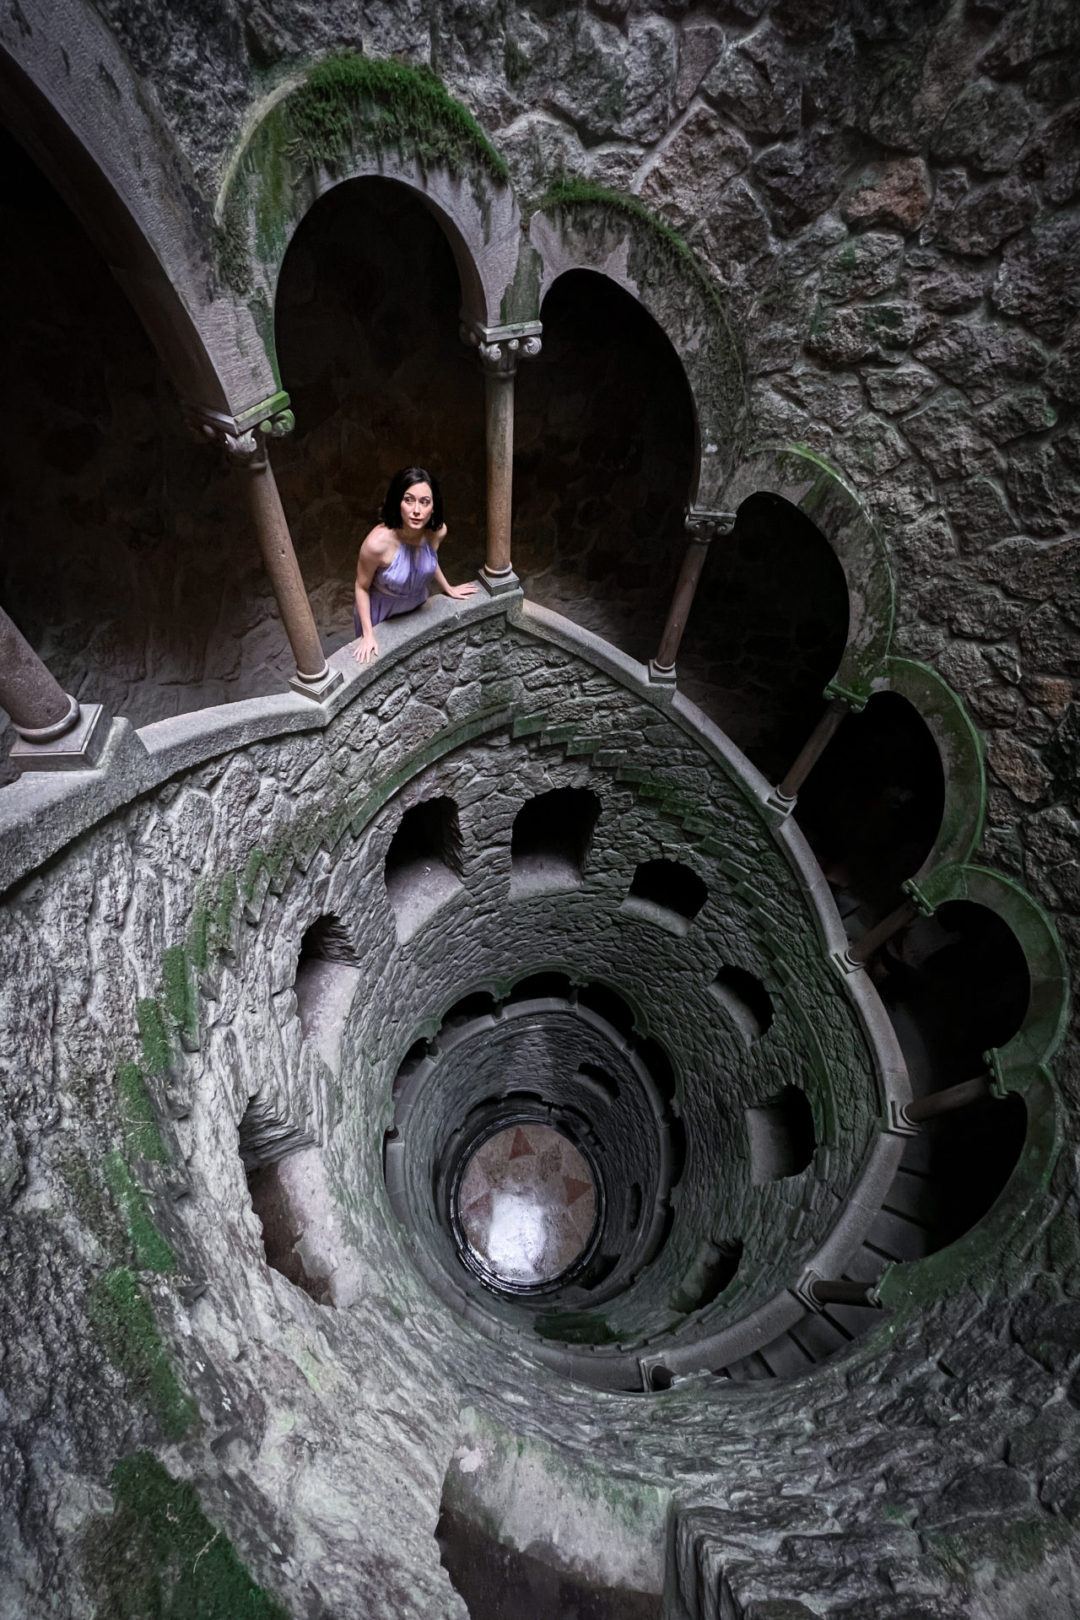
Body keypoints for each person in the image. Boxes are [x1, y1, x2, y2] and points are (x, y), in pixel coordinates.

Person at [352, 466, 477, 663]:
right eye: (408, 500)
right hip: (382, 613)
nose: (416, 511)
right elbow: (361, 587)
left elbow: (427, 562)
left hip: (418, 605)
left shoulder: (437, 532)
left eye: (424, 502)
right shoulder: (377, 543)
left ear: (433, 506)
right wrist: (368, 634)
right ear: (397, 501)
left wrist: (448, 587)